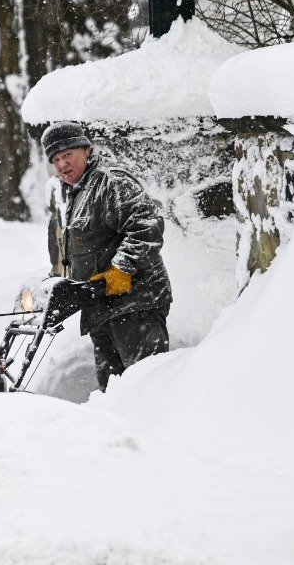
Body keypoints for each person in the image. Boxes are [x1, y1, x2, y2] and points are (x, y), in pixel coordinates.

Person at [40, 120, 172, 390]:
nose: (62, 164)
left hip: (135, 305)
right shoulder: (74, 193)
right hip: (101, 308)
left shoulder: (111, 182)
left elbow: (147, 228)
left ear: (86, 151)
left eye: (67, 155)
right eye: (56, 159)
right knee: (114, 392)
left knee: (148, 387)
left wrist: (121, 269)